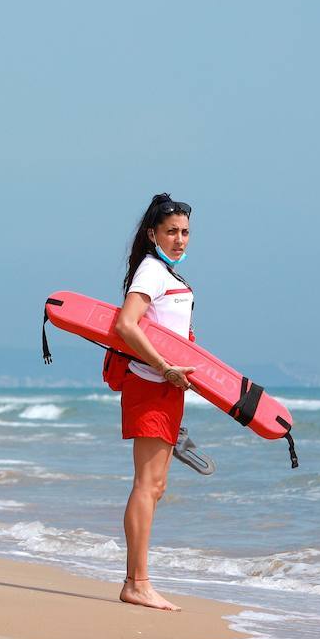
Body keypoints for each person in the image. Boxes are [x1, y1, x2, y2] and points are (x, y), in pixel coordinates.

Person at [112, 194, 196, 612]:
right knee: (146, 486)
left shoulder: (167, 273)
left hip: (167, 387)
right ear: (153, 234)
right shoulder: (151, 271)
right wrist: (164, 367)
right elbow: (126, 325)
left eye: (184, 232)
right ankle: (136, 583)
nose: (179, 239)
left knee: (156, 487)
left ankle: (138, 580)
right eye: (171, 232)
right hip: (150, 386)